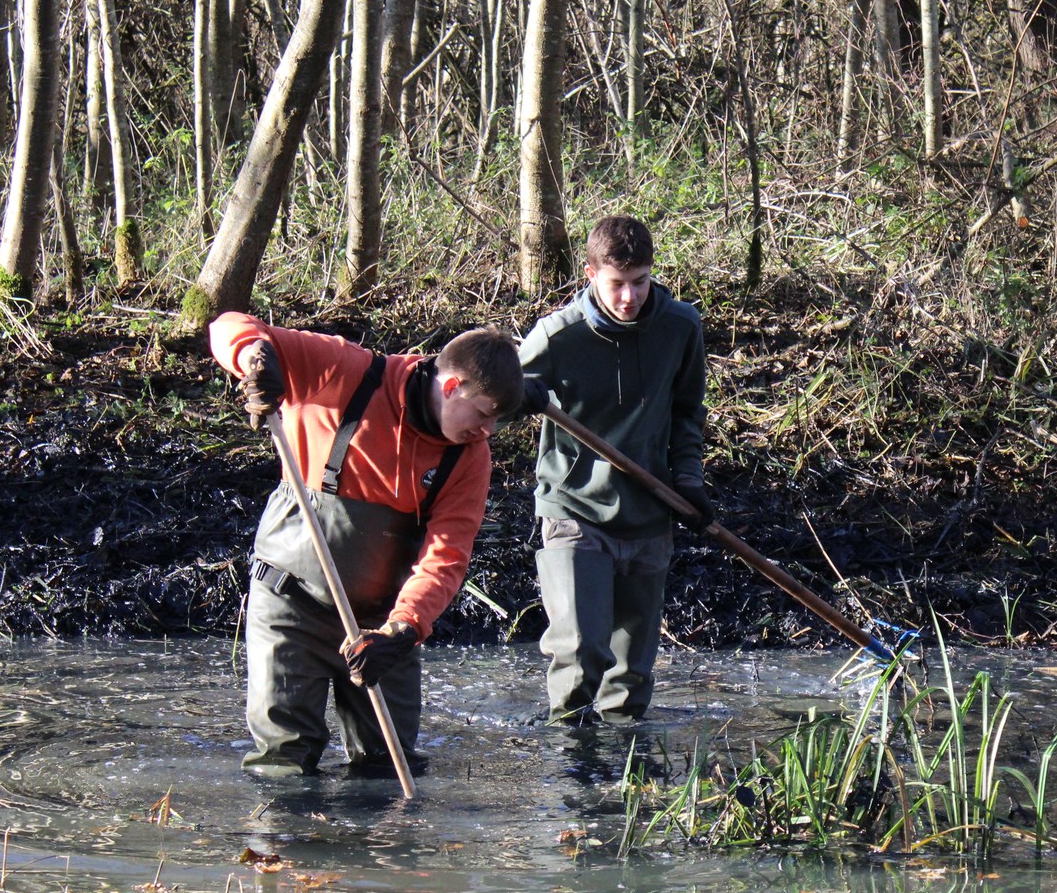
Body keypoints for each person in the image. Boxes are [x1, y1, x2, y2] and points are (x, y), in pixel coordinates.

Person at [211, 314, 524, 777]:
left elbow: (446, 556)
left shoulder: (469, 456)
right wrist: (253, 359)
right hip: (290, 604)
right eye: (483, 416)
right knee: (284, 762)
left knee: (387, 767)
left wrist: (402, 630)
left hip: (380, 625)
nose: (486, 432)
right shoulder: (348, 372)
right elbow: (227, 326)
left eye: (495, 423)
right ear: (453, 385)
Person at [520, 215, 711, 725]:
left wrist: (688, 478)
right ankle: (572, 774)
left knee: (631, 675)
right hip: (574, 507)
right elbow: (489, 401)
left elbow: (688, 411)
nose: (629, 297)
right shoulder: (557, 336)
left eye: (640, 282)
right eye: (617, 284)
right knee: (581, 652)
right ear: (590, 275)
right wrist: (521, 396)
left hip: (652, 510)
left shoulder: (680, 327)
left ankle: (627, 787)